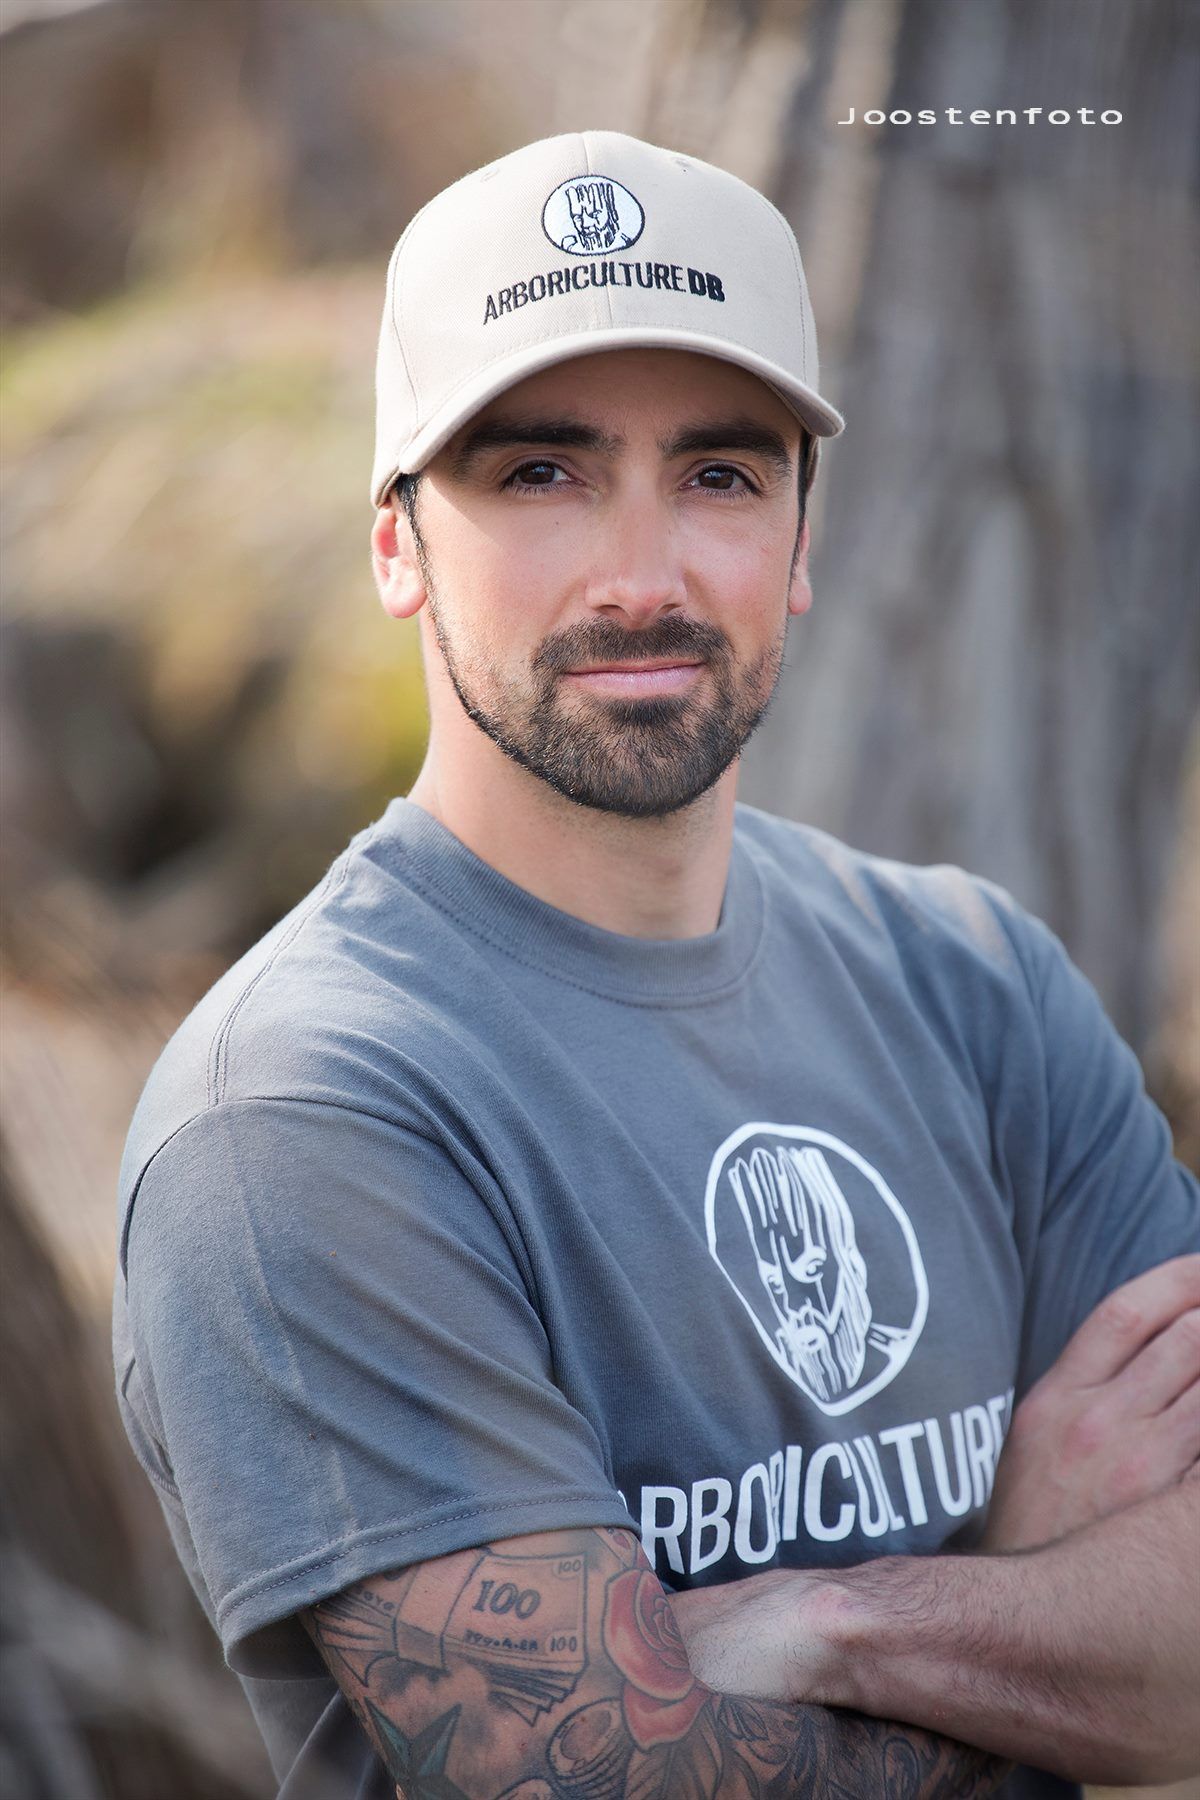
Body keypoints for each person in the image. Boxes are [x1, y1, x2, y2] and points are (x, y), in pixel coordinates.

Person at [113, 131, 1200, 1799]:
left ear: (799, 540)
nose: (645, 575)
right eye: (542, 475)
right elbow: (612, 1778)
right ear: (398, 542)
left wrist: (831, 1620)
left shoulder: (977, 984)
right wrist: (1032, 1598)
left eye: (721, 475)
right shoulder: (300, 1117)